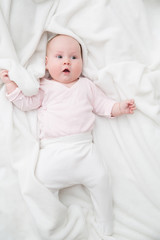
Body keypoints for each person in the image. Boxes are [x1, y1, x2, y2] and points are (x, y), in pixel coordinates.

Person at [0, 34, 136, 240]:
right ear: (46, 64)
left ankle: (106, 223)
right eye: (59, 57)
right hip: (53, 151)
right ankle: (53, 226)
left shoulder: (87, 86)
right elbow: (26, 103)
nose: (66, 61)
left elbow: (103, 105)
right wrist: (11, 86)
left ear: (82, 62)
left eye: (74, 57)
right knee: (41, 187)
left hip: (84, 150)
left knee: (101, 179)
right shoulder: (44, 87)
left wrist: (119, 107)